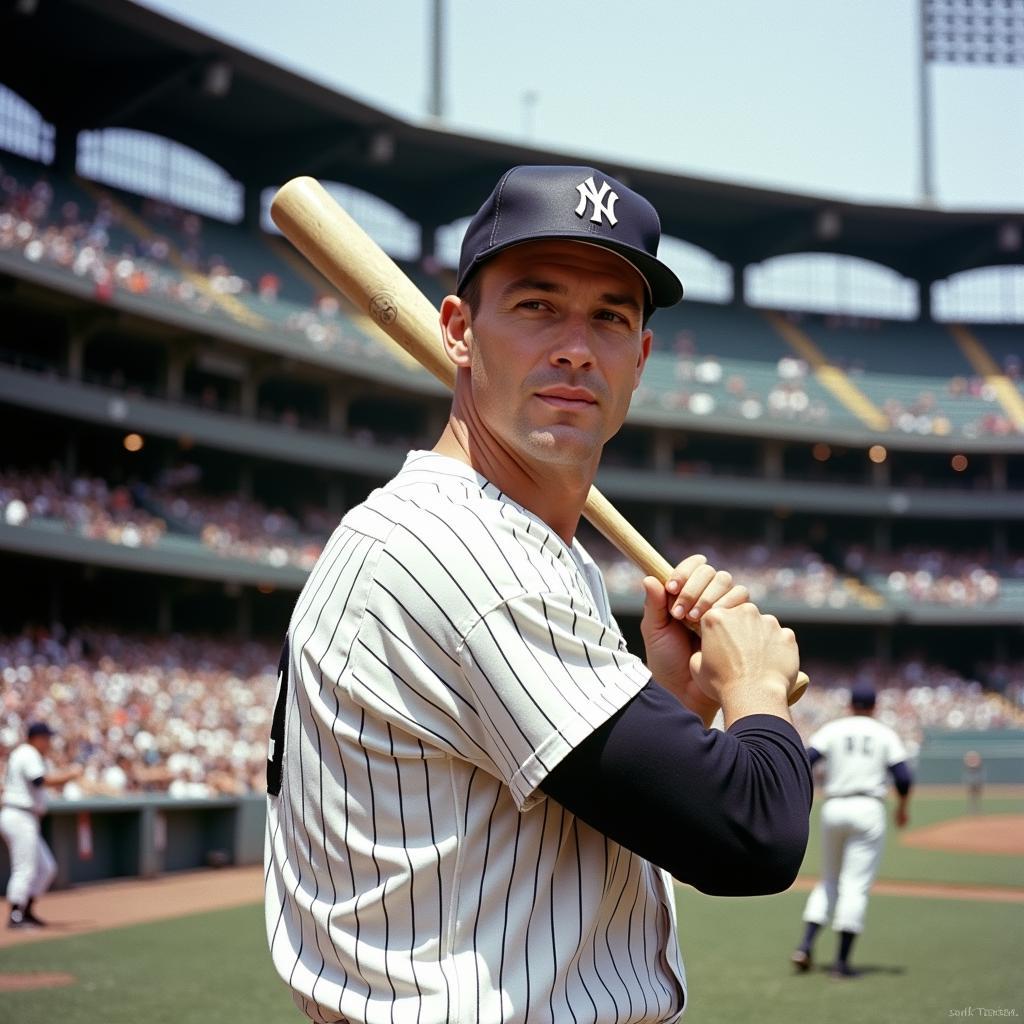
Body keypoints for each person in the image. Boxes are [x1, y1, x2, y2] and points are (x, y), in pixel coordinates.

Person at [266, 164, 813, 1024]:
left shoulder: (503, 543)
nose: (574, 345)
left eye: (610, 316)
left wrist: (671, 697)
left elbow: (546, 821)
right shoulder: (466, 553)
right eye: (535, 305)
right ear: (456, 330)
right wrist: (757, 689)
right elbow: (750, 835)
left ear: (639, 358)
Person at [790, 683, 913, 979]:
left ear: (850, 705)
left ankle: (805, 945)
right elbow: (903, 777)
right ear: (874, 706)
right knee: (855, 885)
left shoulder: (834, 729)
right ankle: (841, 964)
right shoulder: (885, 733)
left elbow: (806, 759)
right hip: (868, 808)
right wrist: (902, 807)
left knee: (828, 880)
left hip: (834, 806)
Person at [0, 721, 82, 929]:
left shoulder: (25, 754)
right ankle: (16, 915)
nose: (49, 743)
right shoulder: (28, 753)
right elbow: (40, 781)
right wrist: (70, 775)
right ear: (36, 738)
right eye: (46, 738)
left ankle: (26, 910)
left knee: (46, 868)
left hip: (23, 816)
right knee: (24, 868)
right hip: (19, 815)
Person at [962, 750, 984, 815]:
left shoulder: (978, 766)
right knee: (971, 795)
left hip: (977, 781)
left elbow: (978, 765)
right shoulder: (968, 766)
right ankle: (972, 809)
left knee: (977, 795)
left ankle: (976, 809)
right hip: (971, 781)